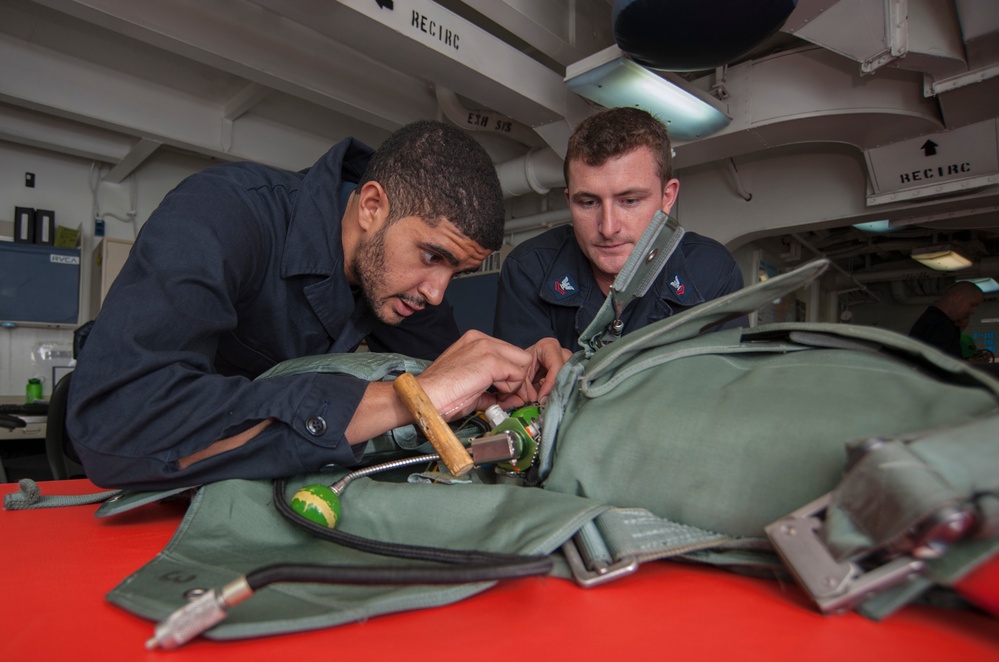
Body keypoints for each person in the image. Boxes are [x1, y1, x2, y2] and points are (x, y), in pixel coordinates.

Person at [67, 120, 567, 490]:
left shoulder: (407, 285)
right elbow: (118, 421)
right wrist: (401, 399)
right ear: (372, 207)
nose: (436, 293)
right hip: (143, 488)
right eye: (433, 256)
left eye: (455, 272)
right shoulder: (225, 213)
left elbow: (450, 388)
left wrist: (511, 383)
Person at [494, 107, 744, 352]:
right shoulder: (529, 268)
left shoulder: (712, 271)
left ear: (667, 197)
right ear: (569, 200)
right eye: (588, 203)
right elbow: (522, 390)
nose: (608, 228)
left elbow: (728, 388)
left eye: (630, 201)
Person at [909, 281, 985, 359]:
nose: (973, 311)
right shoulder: (940, 325)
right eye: (972, 305)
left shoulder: (932, 321)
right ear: (957, 297)